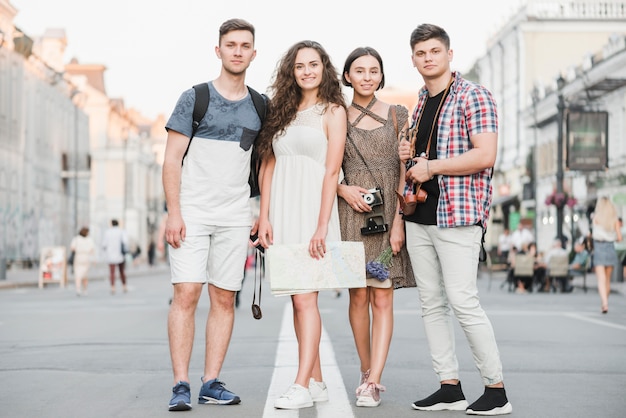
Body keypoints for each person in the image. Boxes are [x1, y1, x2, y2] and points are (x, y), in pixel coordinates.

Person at [399, 24, 512, 415]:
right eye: (420, 53)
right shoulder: (420, 100)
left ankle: (496, 391)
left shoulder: (473, 95)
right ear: (413, 59)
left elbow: (485, 155)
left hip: (458, 216)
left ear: (449, 54)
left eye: (434, 51)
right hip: (420, 217)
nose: (428, 58)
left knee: (463, 302)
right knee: (431, 304)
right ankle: (449, 386)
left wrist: (433, 168)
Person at [161, 18, 264, 411]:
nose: (237, 51)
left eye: (244, 46)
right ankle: (181, 383)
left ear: (253, 54)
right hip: (193, 212)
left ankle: (210, 381)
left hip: (236, 215)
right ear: (218, 50)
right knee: (186, 293)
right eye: (231, 44)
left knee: (224, 298)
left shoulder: (260, 105)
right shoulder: (194, 98)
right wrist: (175, 213)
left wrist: (261, 212)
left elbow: (266, 163)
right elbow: (171, 160)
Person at [256, 40, 347, 410]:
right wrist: (263, 216)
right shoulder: (282, 111)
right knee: (298, 300)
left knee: (306, 299)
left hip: (313, 210)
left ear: (324, 68)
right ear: (291, 72)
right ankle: (317, 381)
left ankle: (299, 384)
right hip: (282, 210)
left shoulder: (333, 111)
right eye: (299, 66)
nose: (307, 71)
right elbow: (269, 165)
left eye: (313, 64)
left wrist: (322, 226)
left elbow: (331, 172)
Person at [337, 46, 416, 408]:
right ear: (347, 76)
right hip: (352, 212)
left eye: (374, 71)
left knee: (383, 294)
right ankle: (365, 370)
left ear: (381, 75)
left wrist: (400, 221)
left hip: (388, 217)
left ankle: (375, 381)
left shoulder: (400, 115)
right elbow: (327, 169)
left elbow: (406, 170)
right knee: (358, 295)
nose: (367, 77)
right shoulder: (336, 116)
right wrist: (341, 187)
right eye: (360, 70)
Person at [591, 197, 622, 314]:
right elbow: (619, 238)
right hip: (610, 248)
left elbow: (592, 233)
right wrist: (611, 237)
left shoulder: (596, 218)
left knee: (601, 279)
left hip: (599, 247)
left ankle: (604, 303)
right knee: (607, 279)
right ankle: (605, 302)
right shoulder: (614, 220)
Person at [101, 219, 128, 294]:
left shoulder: (107, 232)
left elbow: (104, 244)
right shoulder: (121, 231)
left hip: (110, 255)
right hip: (120, 254)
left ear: (111, 224)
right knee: (122, 271)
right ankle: (124, 286)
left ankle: (113, 287)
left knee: (112, 272)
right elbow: (125, 242)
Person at [69, 226, 95, 296]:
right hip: (86, 258)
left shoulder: (76, 239)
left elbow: (72, 248)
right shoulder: (89, 240)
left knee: (78, 274)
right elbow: (92, 250)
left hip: (78, 257)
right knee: (85, 275)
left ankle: (78, 289)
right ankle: (85, 289)